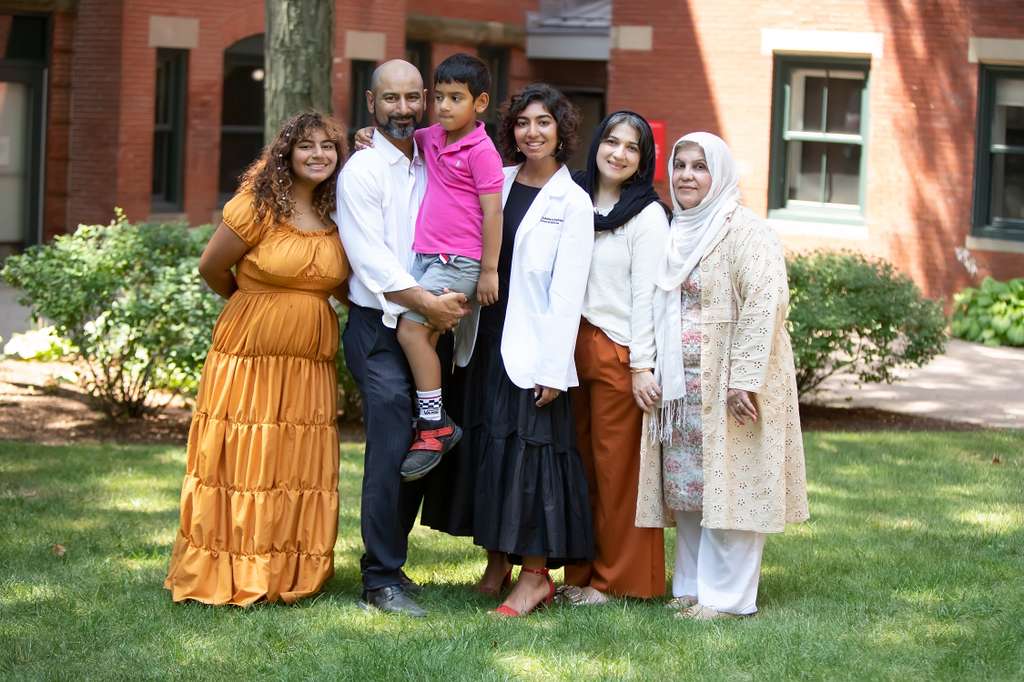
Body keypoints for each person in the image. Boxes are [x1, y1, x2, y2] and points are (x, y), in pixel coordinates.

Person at [164, 111, 349, 606]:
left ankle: (287, 569)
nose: (318, 155)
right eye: (306, 145)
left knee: (293, 465)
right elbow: (212, 267)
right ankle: (230, 568)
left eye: (328, 146)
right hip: (249, 356)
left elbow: (352, 290)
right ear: (285, 153)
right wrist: (256, 299)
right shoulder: (257, 207)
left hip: (308, 364)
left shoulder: (340, 217)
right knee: (247, 459)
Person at [634, 131, 809, 620]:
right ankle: (692, 588)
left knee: (733, 486)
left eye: (699, 166)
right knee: (691, 490)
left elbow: (765, 304)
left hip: (730, 385)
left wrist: (744, 379)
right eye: (681, 165)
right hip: (682, 388)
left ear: (721, 175)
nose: (687, 176)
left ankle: (727, 599)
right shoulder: (674, 229)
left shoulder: (744, 231)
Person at [336, 60, 469, 617]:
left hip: (426, 329)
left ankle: (392, 562)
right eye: (391, 99)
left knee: (423, 448)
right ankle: (379, 579)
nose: (404, 109)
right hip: (380, 330)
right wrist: (429, 304)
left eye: (414, 97)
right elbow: (371, 262)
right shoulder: (363, 171)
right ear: (371, 102)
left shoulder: (433, 158)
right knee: (392, 448)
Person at [458, 83, 596, 617]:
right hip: (487, 337)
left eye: (543, 122)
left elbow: (568, 292)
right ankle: (498, 560)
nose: (532, 132)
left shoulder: (573, 201)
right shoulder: (501, 178)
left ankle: (535, 574)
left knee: (532, 456)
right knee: (493, 449)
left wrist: (554, 367)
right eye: (522, 123)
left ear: (561, 131)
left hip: (535, 348)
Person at [558, 111, 669, 606]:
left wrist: (642, 364)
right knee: (577, 466)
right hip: (569, 346)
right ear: (597, 144)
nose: (618, 153)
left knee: (616, 470)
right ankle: (580, 573)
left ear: (642, 162)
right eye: (611, 141)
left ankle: (615, 580)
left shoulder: (645, 214)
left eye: (632, 147)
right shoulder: (572, 196)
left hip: (618, 350)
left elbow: (648, 295)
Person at [396, 53, 504, 483]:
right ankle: (429, 414)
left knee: (410, 330)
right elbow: (400, 139)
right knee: (424, 333)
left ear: (480, 103)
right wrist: (367, 134)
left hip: (459, 261)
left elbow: (492, 214)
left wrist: (489, 271)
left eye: (455, 98)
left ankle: (435, 423)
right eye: (439, 97)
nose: (443, 106)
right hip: (427, 257)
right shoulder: (431, 137)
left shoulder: (482, 151)